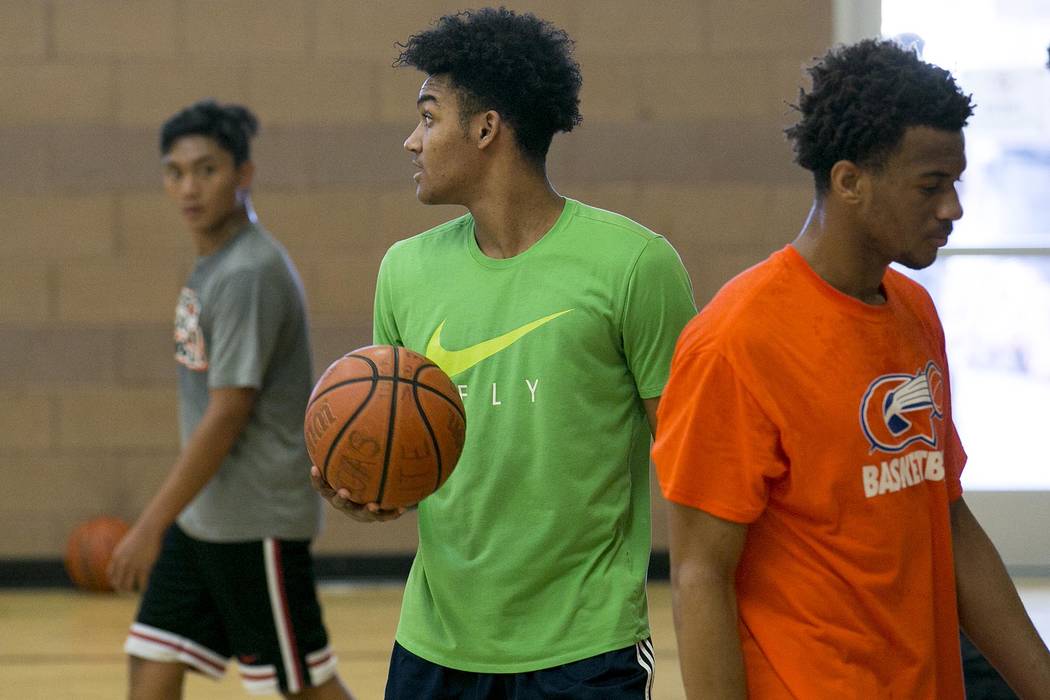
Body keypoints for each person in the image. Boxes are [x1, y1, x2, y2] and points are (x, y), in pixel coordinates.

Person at [310, 8, 696, 698]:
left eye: (429, 118)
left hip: (586, 648)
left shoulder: (636, 265)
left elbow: (695, 465)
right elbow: (408, 445)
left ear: (487, 128)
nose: (410, 141)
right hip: (435, 644)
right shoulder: (404, 269)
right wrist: (372, 484)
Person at [651, 39, 1050, 699]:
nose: (953, 208)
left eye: (956, 183)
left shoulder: (915, 311)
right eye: (931, 186)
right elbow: (699, 577)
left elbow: (947, 517)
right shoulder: (736, 340)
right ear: (849, 181)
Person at [107, 100, 355, 700]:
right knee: (151, 663)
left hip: (254, 523)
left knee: (302, 686)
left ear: (243, 174)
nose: (189, 187)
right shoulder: (216, 265)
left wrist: (148, 526)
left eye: (207, 169)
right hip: (206, 521)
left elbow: (227, 413)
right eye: (175, 172)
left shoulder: (248, 272)